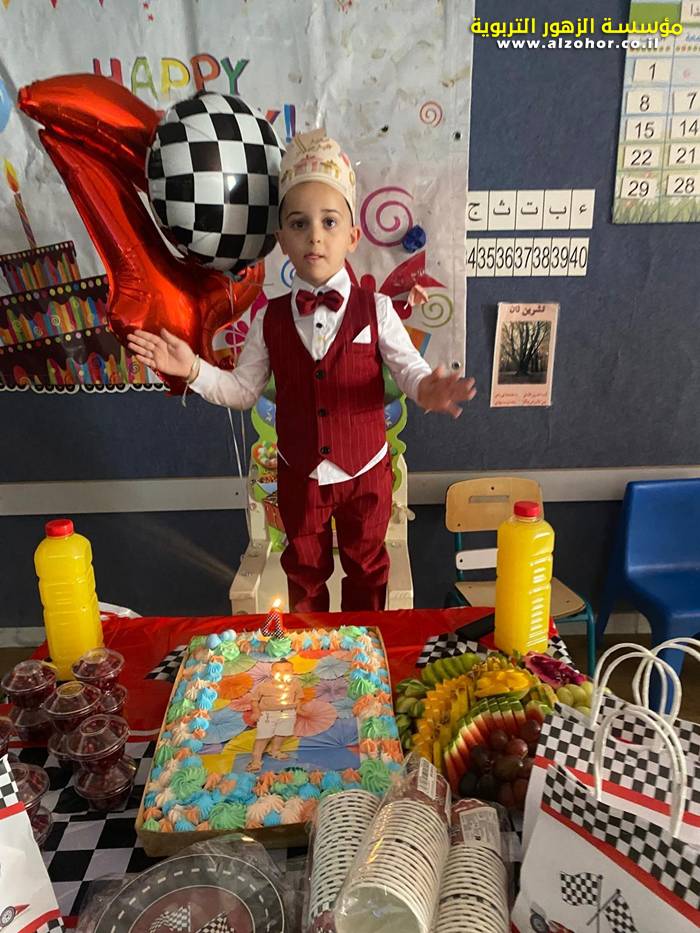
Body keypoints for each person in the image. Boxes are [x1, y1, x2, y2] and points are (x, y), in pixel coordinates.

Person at [128, 129, 476, 613]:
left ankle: (365, 651)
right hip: (299, 476)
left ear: (352, 237)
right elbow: (242, 390)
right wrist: (192, 370)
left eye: (330, 221)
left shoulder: (376, 308)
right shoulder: (267, 319)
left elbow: (410, 370)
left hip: (366, 475)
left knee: (368, 572)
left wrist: (427, 391)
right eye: (299, 223)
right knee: (303, 577)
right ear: (281, 242)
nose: (315, 234)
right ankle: (306, 657)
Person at [247, 659, 303, 771]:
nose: (282, 673)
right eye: (278, 670)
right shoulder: (264, 686)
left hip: (288, 713)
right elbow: (254, 700)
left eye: (286, 670)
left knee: (282, 734)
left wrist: (298, 708)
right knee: (263, 737)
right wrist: (256, 712)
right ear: (272, 673)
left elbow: (299, 697)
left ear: (292, 672)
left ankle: (275, 750)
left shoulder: (295, 685)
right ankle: (256, 760)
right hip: (268, 714)